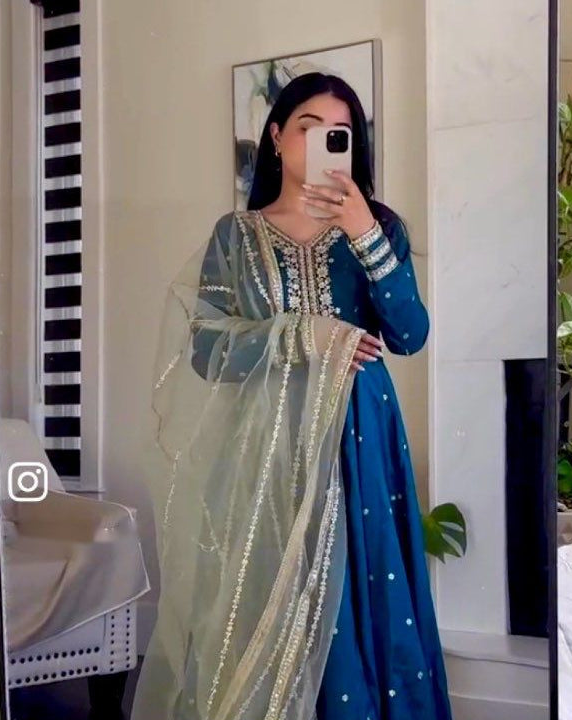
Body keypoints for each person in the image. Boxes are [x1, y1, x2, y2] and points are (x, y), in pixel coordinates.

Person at [133, 72, 452, 720]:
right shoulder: (236, 235)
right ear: (276, 136)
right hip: (266, 443)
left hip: (357, 439)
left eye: (339, 132)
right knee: (265, 594)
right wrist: (301, 336)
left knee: (360, 592)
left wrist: (363, 232)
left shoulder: (379, 226)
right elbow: (206, 349)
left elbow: (410, 334)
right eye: (308, 127)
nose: (323, 141)